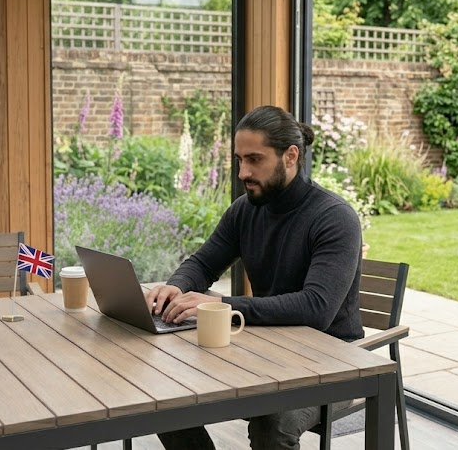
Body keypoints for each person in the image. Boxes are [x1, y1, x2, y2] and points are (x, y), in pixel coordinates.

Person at [146, 105, 364, 450]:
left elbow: (317, 308)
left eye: (254, 160)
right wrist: (175, 286)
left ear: (290, 156)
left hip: (330, 362)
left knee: (271, 422)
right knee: (165, 393)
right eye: (238, 160)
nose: (243, 172)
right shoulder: (245, 210)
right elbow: (203, 263)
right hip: (265, 349)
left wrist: (222, 304)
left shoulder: (334, 218)